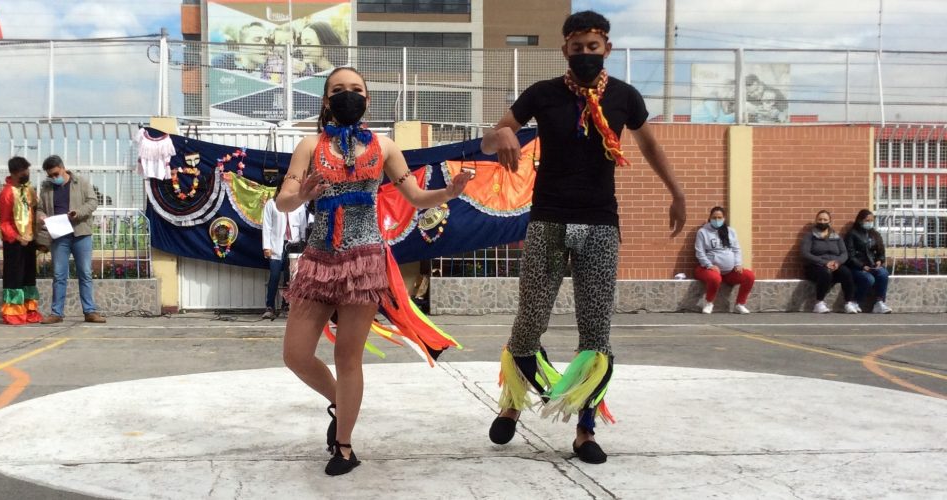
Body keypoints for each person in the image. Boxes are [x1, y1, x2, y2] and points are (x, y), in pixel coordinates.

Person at [480, 10, 686, 465]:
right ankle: (513, 403)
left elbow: (650, 145)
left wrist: (677, 192)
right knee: (528, 323)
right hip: (548, 220)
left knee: (596, 332)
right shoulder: (543, 93)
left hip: (600, 224)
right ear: (565, 50)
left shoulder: (625, 97)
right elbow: (489, 141)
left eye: (594, 47)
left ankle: (585, 429)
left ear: (607, 48)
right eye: (578, 48)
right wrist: (502, 133)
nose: (586, 54)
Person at [276, 66, 472, 476]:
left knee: (348, 356)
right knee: (295, 355)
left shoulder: (384, 147)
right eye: (338, 89)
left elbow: (415, 196)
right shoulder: (309, 145)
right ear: (326, 100)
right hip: (318, 260)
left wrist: (449, 191)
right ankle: (340, 402)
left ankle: (344, 447)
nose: (348, 95)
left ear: (367, 98)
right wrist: (302, 195)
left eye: (355, 89)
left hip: (365, 261)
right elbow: (284, 201)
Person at [35, 155, 107, 324]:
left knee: (85, 273)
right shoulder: (46, 188)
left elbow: (93, 202)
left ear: (63, 168)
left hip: (81, 233)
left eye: (56, 174)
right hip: (59, 235)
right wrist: (41, 216)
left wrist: (78, 213)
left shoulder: (80, 182)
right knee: (59, 275)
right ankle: (56, 313)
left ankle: (89, 311)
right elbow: (39, 208)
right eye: (50, 175)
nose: (54, 178)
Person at [0, 157, 43, 325]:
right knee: (14, 277)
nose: (28, 173)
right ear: (15, 173)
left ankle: (29, 310)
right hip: (14, 243)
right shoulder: (7, 193)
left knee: (29, 276)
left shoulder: (29, 190)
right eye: (24, 171)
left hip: (29, 240)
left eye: (28, 170)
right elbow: (4, 222)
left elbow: (35, 211)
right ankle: (13, 312)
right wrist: (17, 237)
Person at [694, 206, 755, 314]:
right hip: (707, 269)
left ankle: (740, 304)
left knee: (749, 276)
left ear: (724, 218)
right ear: (710, 218)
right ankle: (709, 303)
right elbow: (700, 252)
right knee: (714, 278)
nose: (717, 220)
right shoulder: (703, 232)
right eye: (714, 218)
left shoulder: (731, 231)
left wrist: (738, 264)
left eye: (719, 218)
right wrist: (710, 265)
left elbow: (736, 249)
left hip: (729, 272)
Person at [260, 187, 309, 320]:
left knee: (291, 277)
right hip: (277, 245)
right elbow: (267, 226)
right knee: (275, 275)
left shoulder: (299, 204)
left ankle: (286, 305)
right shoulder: (271, 204)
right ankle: (269, 307)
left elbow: (303, 226)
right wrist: (266, 247)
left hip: (294, 244)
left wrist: (303, 244)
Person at [801, 210, 858, 314]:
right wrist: (824, 263)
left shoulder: (836, 237)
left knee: (846, 273)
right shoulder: (810, 236)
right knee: (825, 273)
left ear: (830, 222)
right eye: (820, 219)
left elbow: (844, 253)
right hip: (816, 266)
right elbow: (805, 253)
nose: (822, 222)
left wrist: (837, 262)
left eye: (825, 220)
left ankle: (848, 303)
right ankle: (819, 303)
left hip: (835, 265)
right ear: (816, 221)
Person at [844, 209, 892, 313]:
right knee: (868, 279)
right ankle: (855, 301)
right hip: (857, 267)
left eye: (871, 220)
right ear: (860, 220)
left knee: (883, 274)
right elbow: (850, 255)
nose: (869, 223)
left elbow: (881, 252)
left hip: (872, 265)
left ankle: (879, 302)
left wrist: (879, 260)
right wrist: (862, 266)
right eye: (867, 220)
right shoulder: (852, 234)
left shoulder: (875, 234)